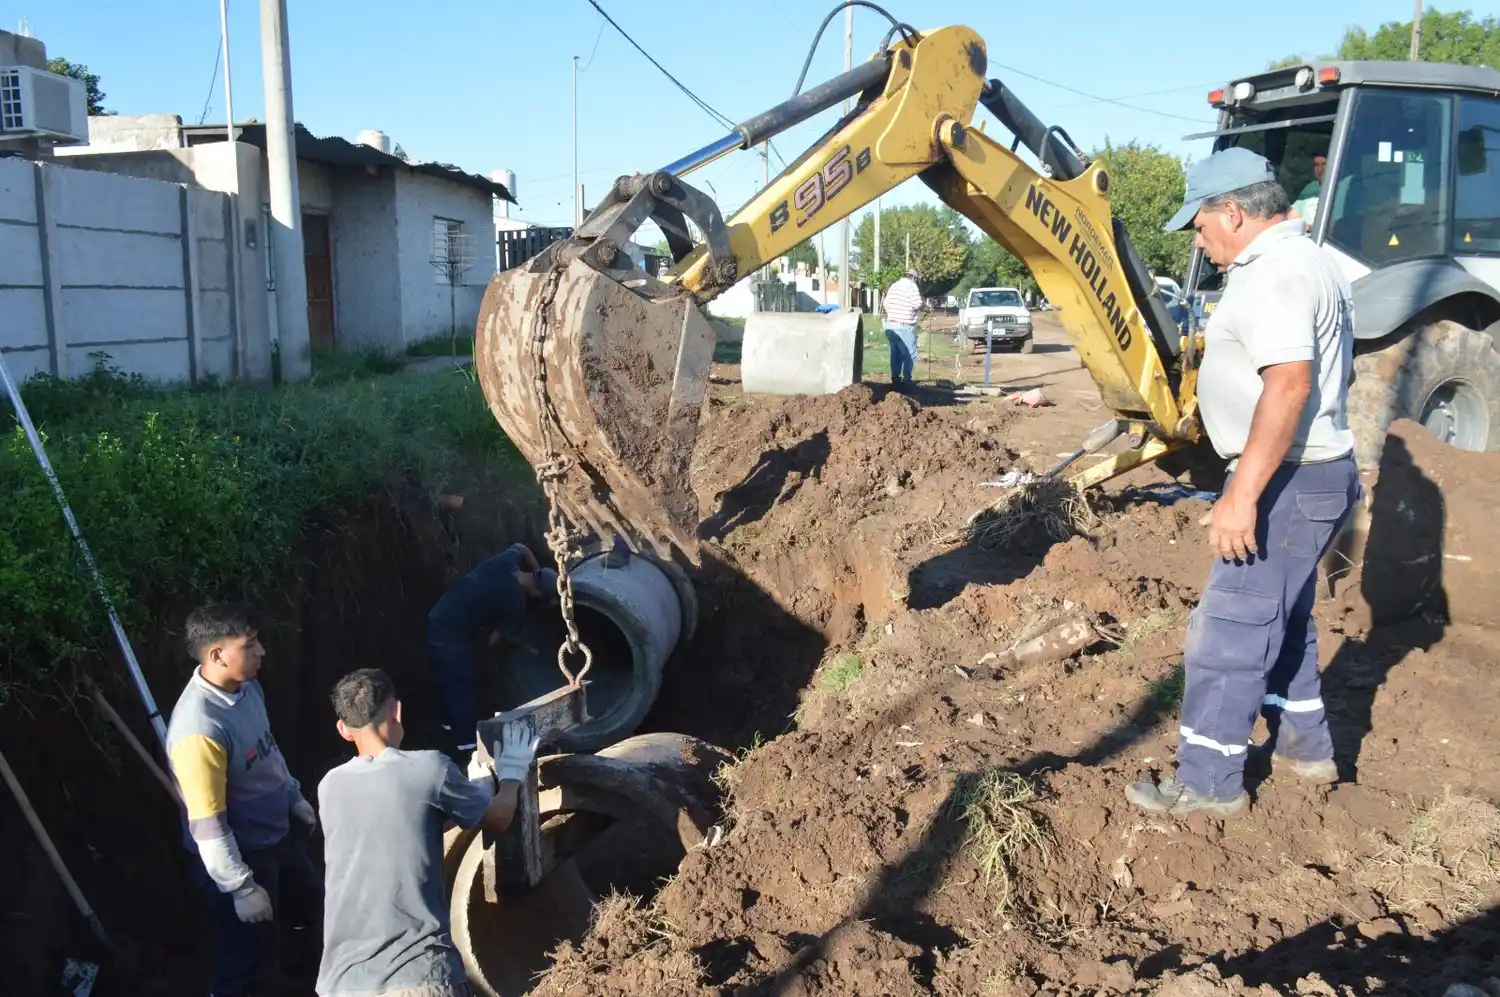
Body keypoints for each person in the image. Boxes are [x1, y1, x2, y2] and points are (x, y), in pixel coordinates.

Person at [1126, 147, 1358, 816]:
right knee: (1283, 618)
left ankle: (1206, 782)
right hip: (1317, 470)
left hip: (1288, 476)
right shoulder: (1318, 261)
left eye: (1199, 225)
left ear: (1234, 210)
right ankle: (1304, 745)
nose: (1198, 240)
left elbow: (1288, 386)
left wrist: (1243, 494)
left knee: (1228, 628)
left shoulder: (1277, 274)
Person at [315, 667, 538, 997]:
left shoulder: (330, 786)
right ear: (397, 711)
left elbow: (413, 820)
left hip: (343, 983)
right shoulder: (429, 768)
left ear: (343, 730)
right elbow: (499, 819)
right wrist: (510, 776)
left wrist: (473, 792)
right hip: (419, 976)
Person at [166, 602, 323, 997]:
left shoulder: (247, 687)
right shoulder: (200, 730)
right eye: (250, 645)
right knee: (244, 959)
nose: (262, 652)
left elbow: (268, 749)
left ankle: (300, 979)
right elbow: (208, 825)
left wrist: (292, 795)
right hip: (244, 857)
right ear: (217, 655)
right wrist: (241, 888)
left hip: (278, 840)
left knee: (308, 907)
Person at [427, 542, 558, 754]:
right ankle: (466, 746)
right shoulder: (516, 604)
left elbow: (522, 547)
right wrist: (512, 642)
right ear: (537, 594)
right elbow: (492, 642)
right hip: (451, 632)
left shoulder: (507, 562)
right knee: (461, 685)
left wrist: (536, 567)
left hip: (442, 611)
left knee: (448, 678)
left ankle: (447, 726)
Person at [881, 267, 923, 389]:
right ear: (914, 278)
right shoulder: (911, 286)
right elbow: (917, 304)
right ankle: (907, 381)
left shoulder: (894, 285)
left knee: (895, 354)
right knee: (910, 355)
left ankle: (895, 379)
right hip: (905, 325)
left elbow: (886, 304)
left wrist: (893, 314)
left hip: (891, 325)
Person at [1289, 152, 1327, 231]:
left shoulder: (1341, 187)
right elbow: (1295, 211)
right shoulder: (1311, 187)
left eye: (1324, 164)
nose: (1320, 169)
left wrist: (1312, 228)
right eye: (1316, 165)